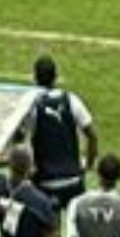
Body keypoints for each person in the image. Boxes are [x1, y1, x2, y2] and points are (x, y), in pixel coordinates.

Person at [20, 53, 98, 211]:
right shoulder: (71, 100)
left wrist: (28, 172)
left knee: (49, 225)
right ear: (56, 77)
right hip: (73, 180)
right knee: (76, 224)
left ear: (35, 78)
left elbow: (21, 143)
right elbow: (92, 135)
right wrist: (88, 165)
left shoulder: (32, 106)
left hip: (46, 182)